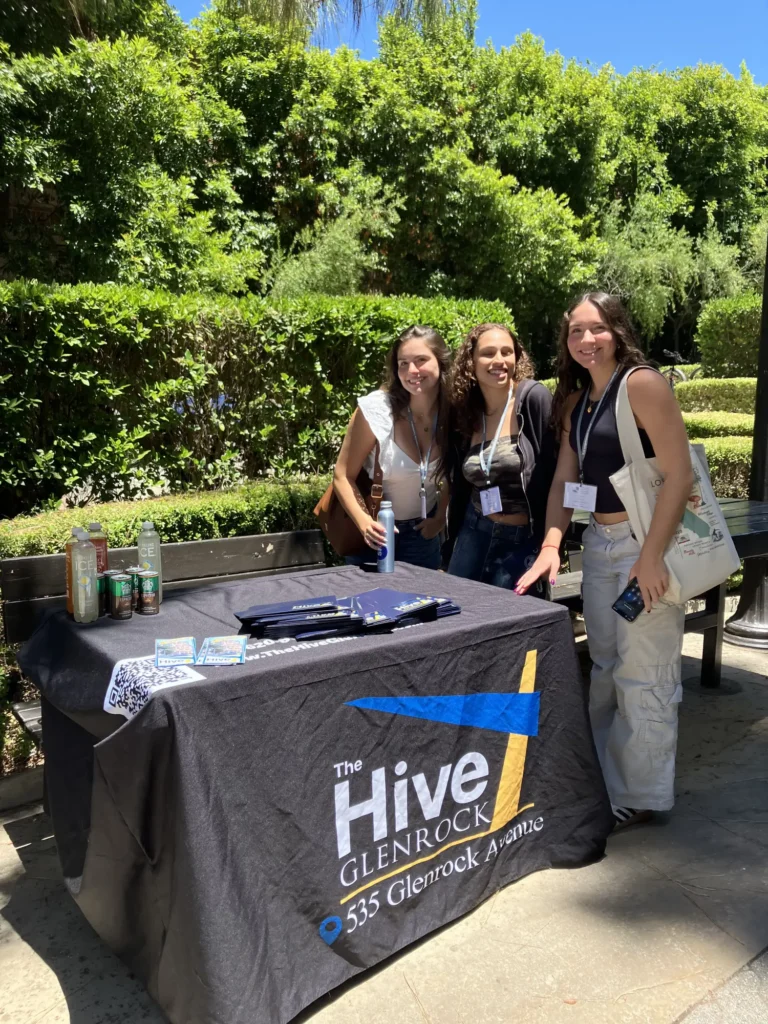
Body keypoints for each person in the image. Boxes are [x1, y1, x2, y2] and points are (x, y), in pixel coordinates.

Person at [515, 292, 693, 831]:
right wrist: (551, 546)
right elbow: (565, 483)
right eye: (575, 331)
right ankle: (602, 780)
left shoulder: (642, 384)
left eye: (596, 328)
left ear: (617, 331)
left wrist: (651, 557)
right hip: (599, 546)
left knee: (646, 673)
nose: (586, 339)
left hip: (645, 546)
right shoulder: (576, 403)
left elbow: (679, 475)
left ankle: (638, 794)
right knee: (606, 668)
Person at [446, 323, 556, 593]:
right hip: (473, 533)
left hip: (521, 541)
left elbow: (556, 476)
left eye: (507, 352)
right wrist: (448, 546)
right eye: (488, 353)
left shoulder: (532, 399)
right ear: (471, 362)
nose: (499, 360)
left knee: (513, 618)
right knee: (459, 612)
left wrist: (550, 545)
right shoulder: (466, 410)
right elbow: (459, 486)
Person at [333, 325, 451, 569]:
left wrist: (440, 518)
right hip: (374, 536)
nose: (412, 370)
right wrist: (365, 524)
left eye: (421, 360)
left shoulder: (453, 413)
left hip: (422, 537)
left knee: (424, 595)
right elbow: (342, 476)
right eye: (403, 363)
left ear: (441, 362)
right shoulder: (376, 410)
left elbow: (456, 471)